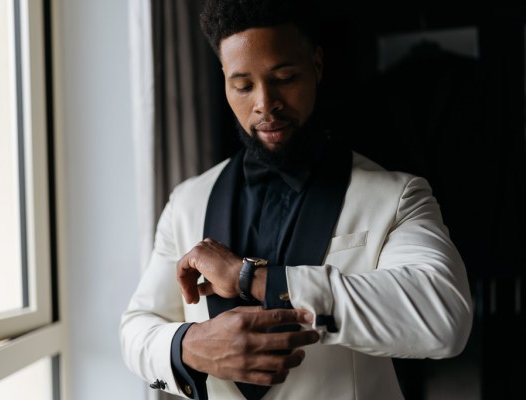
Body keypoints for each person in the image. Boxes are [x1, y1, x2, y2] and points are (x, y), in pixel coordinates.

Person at [120, 1, 473, 399]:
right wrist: (188, 345)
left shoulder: (398, 196)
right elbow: (136, 326)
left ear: (316, 66)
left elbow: (444, 318)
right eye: (242, 85)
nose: (265, 103)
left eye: (284, 77)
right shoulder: (185, 201)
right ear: (224, 81)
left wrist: (251, 279)